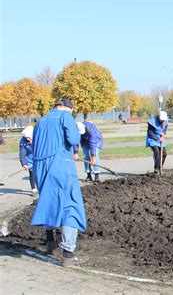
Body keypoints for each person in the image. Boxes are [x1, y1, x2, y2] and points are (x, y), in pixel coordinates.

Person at [31, 98, 88, 265]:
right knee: (70, 205)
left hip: (39, 168)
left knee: (49, 201)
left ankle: (50, 242)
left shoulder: (41, 121)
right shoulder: (65, 116)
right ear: (68, 108)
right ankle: (68, 253)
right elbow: (73, 139)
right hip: (59, 165)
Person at [19, 126, 37, 196]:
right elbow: (22, 154)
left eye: (28, 137)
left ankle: (43, 188)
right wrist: (24, 164)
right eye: (26, 137)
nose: (27, 139)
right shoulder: (23, 141)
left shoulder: (38, 138)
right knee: (32, 173)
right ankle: (33, 189)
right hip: (30, 158)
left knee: (41, 173)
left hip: (39, 156)